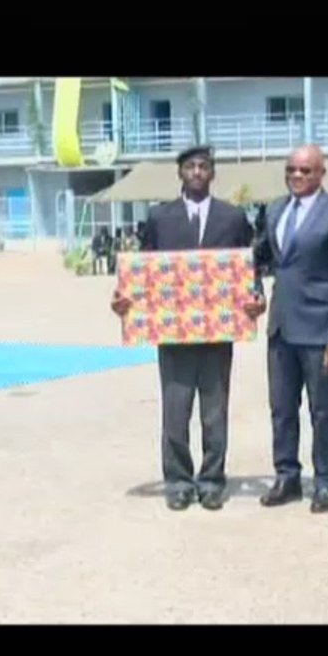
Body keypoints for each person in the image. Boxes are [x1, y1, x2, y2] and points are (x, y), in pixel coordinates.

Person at [110, 145, 266, 511]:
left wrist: (256, 297)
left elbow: (248, 268)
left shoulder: (233, 218)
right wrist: (123, 300)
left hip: (217, 332)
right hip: (173, 333)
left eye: (204, 167)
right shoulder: (160, 218)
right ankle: (178, 481)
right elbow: (142, 270)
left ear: (212, 174)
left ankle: (212, 480)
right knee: (175, 411)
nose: (197, 172)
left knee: (215, 411)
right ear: (180, 173)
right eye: (190, 167)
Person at [256, 144, 328, 513]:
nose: (297, 177)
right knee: (281, 408)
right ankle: (286, 476)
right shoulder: (274, 210)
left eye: (305, 171)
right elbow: (260, 258)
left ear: (321, 173)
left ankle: (325, 482)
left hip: (320, 330)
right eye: (291, 170)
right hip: (281, 327)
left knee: (322, 411)